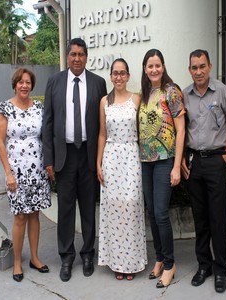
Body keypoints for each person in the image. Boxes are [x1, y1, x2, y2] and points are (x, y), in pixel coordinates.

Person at [42, 38, 107, 282]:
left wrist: (103, 159)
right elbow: (47, 122)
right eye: (73, 54)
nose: (77, 58)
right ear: (67, 56)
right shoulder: (54, 82)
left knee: (89, 208)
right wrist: (49, 159)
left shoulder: (98, 83)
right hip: (65, 156)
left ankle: (88, 253)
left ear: (87, 56)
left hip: (89, 155)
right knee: (66, 210)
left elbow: (103, 124)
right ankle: (67, 257)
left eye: (81, 54)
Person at [180, 49, 226, 293]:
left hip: (216, 161)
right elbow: (181, 130)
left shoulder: (222, 92)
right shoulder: (184, 95)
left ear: (210, 66)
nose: (198, 71)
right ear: (190, 70)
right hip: (195, 163)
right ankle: (204, 266)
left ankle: (220, 269)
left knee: (217, 219)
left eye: (202, 66)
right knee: (200, 219)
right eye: (194, 67)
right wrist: (182, 158)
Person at [0, 68, 51, 282]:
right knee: (20, 217)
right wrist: (8, 174)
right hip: (16, 174)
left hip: (37, 170)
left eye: (28, 82)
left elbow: (45, 136)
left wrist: (48, 165)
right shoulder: (5, 108)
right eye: (21, 82)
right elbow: (0, 142)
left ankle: (35, 258)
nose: (25, 85)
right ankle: (17, 262)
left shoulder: (39, 107)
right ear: (15, 84)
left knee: (35, 215)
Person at [138, 49, 185, 288]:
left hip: (165, 159)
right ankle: (158, 258)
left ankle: (169, 264)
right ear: (145, 69)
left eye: (157, 65)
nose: (154, 70)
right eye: (150, 66)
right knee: (151, 213)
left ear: (163, 67)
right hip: (145, 161)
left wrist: (177, 165)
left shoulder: (171, 91)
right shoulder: (144, 93)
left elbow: (181, 129)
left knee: (160, 213)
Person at [96, 58, 146, 281]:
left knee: (132, 205)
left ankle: (132, 262)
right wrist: (98, 163)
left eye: (122, 73)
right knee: (114, 208)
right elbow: (102, 134)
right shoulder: (104, 101)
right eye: (115, 73)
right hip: (111, 158)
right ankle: (117, 262)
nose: (118, 77)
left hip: (131, 157)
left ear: (128, 76)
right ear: (111, 76)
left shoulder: (137, 99)